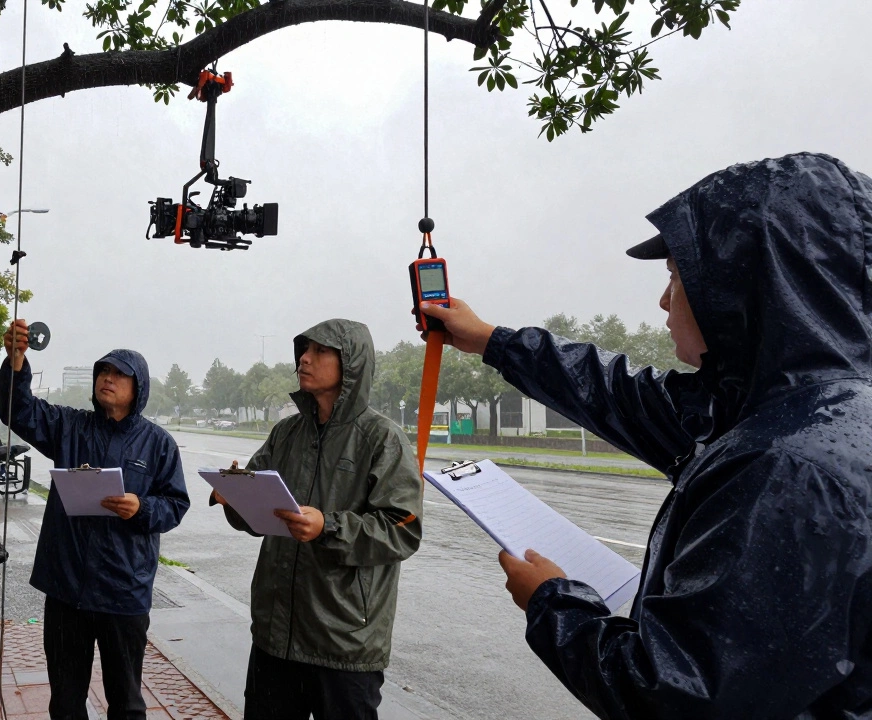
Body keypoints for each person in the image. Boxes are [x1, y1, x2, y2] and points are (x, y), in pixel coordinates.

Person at [420, 152, 872, 718]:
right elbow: (617, 395)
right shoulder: (768, 408)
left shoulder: (787, 465)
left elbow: (676, 694)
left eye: (677, 277)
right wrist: (490, 339)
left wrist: (552, 602)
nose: (664, 299)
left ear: (739, 286)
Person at [213, 319, 423, 719]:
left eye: (320, 351)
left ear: (352, 363)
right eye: (303, 351)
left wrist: (326, 526)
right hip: (276, 635)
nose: (304, 360)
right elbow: (259, 519)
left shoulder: (382, 438)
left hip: (343, 642)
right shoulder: (286, 433)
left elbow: (402, 528)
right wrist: (235, 499)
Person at [0, 318, 190, 720]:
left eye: (120, 374)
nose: (108, 378)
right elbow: (20, 411)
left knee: (126, 701)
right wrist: (16, 361)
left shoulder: (158, 444)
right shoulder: (71, 426)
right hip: (67, 586)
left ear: (139, 388)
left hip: (124, 590)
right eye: (104, 371)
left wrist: (142, 508)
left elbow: (176, 504)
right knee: (66, 701)